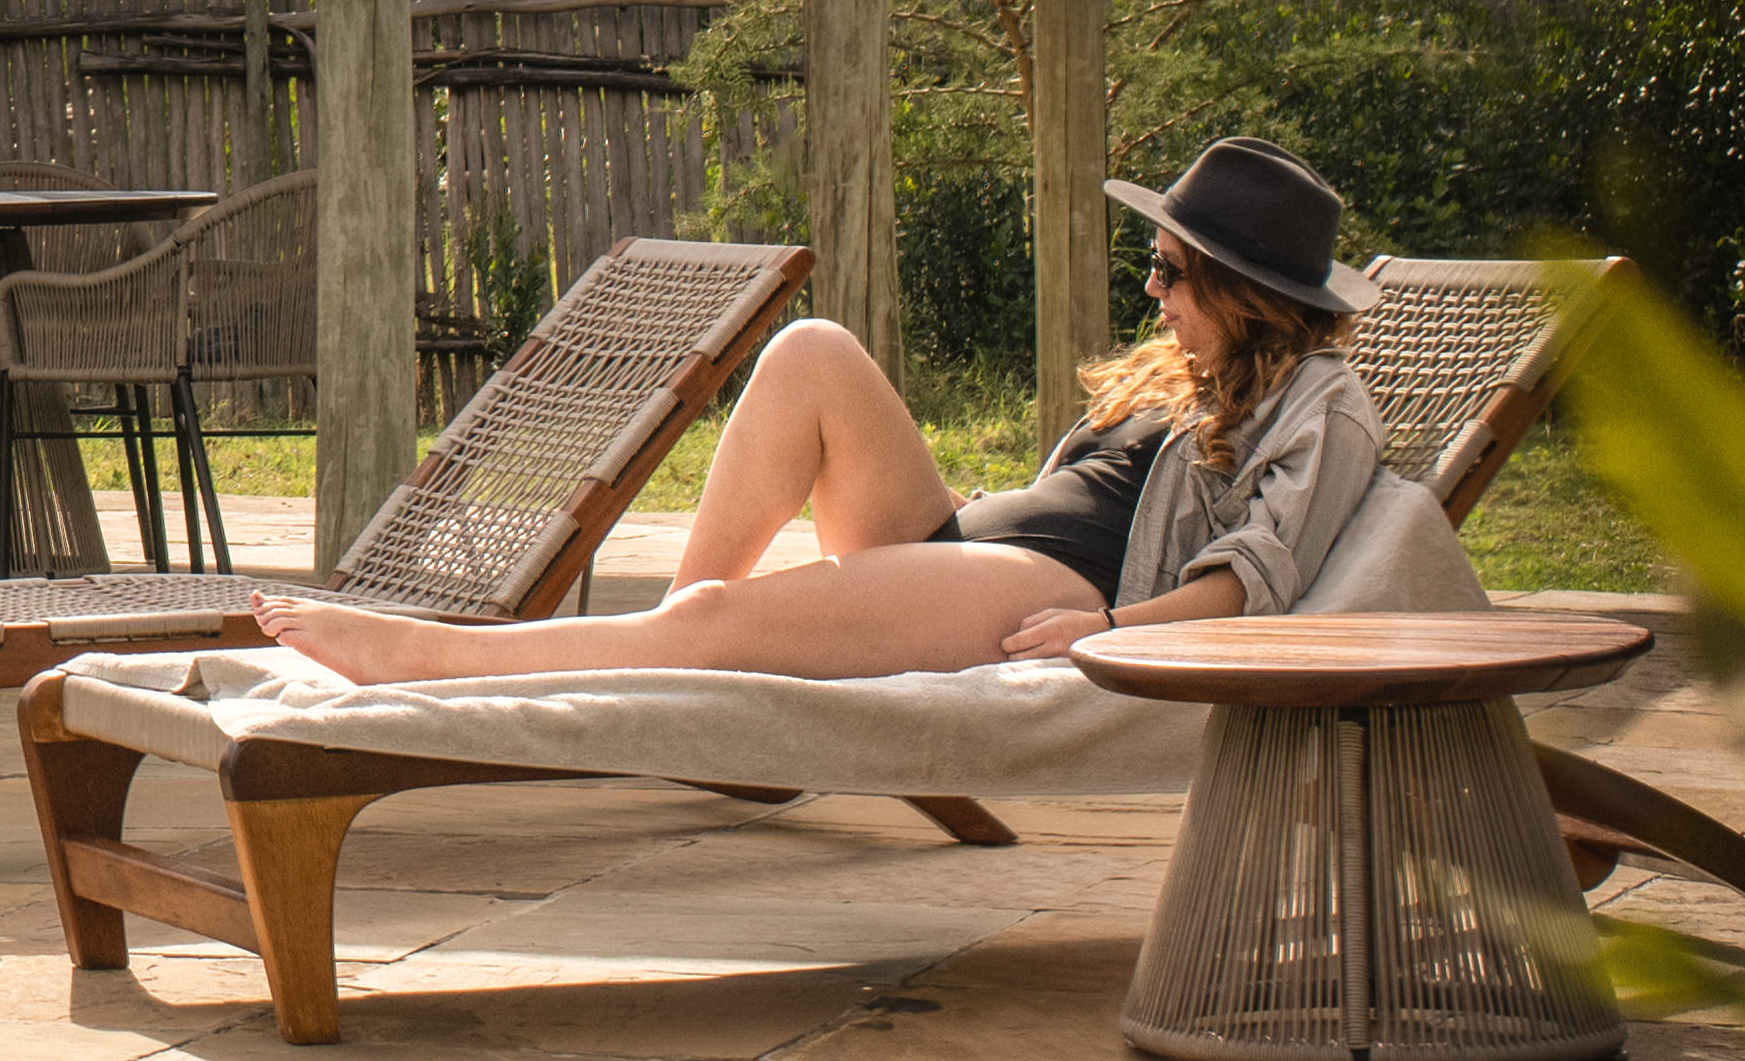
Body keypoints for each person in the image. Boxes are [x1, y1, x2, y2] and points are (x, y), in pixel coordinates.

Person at [250, 137, 1394, 694]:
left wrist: (1115, 631)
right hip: (972, 543)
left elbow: (1261, 570)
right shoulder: (1182, 369)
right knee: (808, 348)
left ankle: (441, 660)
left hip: (1063, 588)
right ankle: (680, 661)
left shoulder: (1319, 400)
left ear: (1249, 291)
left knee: (704, 624)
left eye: (1171, 272)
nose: (1151, 290)